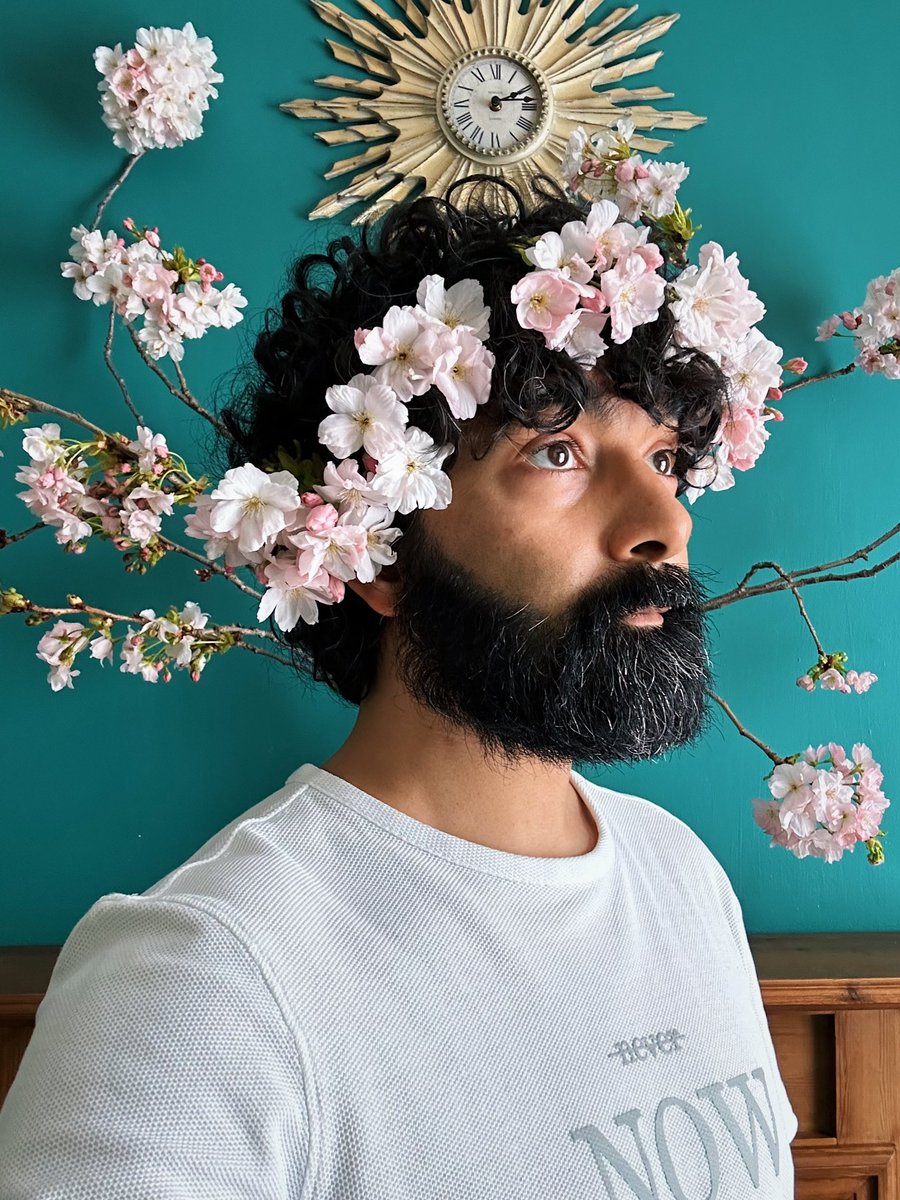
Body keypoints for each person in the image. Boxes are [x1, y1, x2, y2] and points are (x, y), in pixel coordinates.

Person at [0, 175, 799, 1197]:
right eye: (557, 451)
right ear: (377, 550)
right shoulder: (204, 980)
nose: (667, 521)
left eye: (661, 456)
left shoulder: (680, 875)